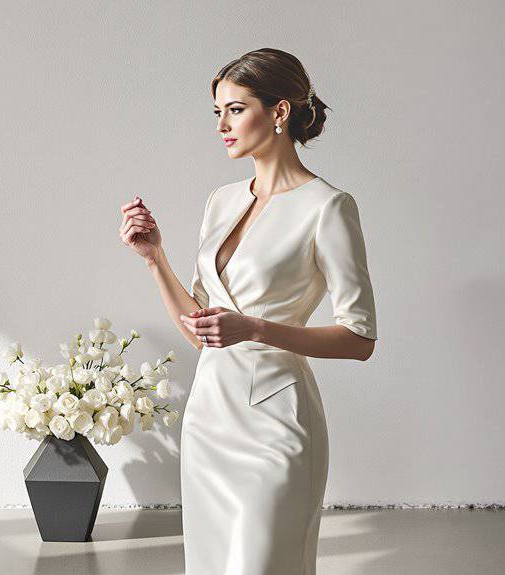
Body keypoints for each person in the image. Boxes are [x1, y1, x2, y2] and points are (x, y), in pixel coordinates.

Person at [118, 48, 378, 574]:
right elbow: (201, 332)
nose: (222, 125)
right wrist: (154, 259)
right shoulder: (222, 200)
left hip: (276, 423)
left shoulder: (328, 208)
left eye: (235, 109)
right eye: (217, 112)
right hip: (211, 418)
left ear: (279, 112)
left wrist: (256, 327)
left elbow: (360, 338)